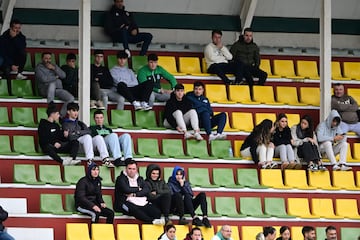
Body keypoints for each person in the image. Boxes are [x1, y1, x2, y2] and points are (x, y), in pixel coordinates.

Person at [114, 159, 164, 224]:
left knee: (156, 212)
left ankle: (150, 226)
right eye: (129, 169)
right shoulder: (120, 178)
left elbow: (146, 190)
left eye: (133, 169)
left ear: (136, 169)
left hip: (139, 200)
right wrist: (138, 189)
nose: (131, 171)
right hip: (124, 203)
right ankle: (152, 221)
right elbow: (126, 189)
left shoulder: (140, 179)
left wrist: (135, 194)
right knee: (134, 209)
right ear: (126, 169)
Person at [62, 102, 112, 167]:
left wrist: (77, 132)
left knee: (98, 137)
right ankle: (90, 160)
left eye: (77, 111)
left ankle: (105, 159)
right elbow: (70, 137)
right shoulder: (65, 124)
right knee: (87, 137)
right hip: (77, 146)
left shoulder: (80, 123)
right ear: (68, 112)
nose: (76, 113)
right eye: (74, 111)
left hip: (87, 145)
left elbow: (89, 131)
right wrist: (80, 133)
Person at [35, 52, 74, 117]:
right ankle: (51, 107)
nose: (48, 60)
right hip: (44, 89)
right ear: (42, 59)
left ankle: (61, 116)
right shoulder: (38, 68)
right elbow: (44, 79)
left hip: (56, 90)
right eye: (46, 58)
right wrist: (55, 77)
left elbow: (63, 75)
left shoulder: (53, 66)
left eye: (49, 58)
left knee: (70, 98)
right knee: (52, 84)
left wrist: (54, 68)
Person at [0, 18, 27, 86]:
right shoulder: (3, 38)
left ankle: (19, 73)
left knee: (23, 53)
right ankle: (8, 91)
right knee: (7, 71)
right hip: (6, 61)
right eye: (15, 28)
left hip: (17, 61)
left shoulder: (22, 37)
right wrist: (11, 65)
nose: (17, 30)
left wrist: (15, 38)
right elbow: (3, 53)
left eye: (19, 28)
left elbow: (21, 48)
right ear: (11, 28)